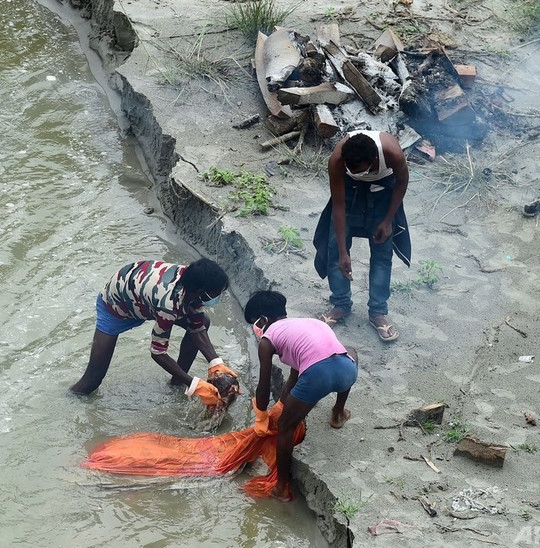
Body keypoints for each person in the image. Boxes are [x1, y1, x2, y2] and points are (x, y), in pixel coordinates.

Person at [70, 258, 237, 407]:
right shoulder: (169, 304)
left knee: (204, 321)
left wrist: (216, 363)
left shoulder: (193, 280)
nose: (217, 299)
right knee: (93, 379)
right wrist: (195, 385)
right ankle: (69, 402)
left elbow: (197, 326)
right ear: (198, 291)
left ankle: (177, 383)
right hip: (116, 306)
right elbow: (158, 353)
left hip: (145, 300)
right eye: (213, 296)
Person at [245, 290, 358, 502]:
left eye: (256, 323)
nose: (256, 329)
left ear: (264, 320)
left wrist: (261, 416)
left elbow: (264, 384)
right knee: (350, 351)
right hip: (347, 371)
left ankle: (281, 488)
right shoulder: (307, 324)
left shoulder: (267, 340)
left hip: (318, 376)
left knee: (286, 427)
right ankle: (338, 412)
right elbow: (297, 371)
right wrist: (282, 403)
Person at [313, 130, 411, 342]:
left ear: (375, 160)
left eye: (359, 169)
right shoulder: (337, 160)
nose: (355, 171)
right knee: (334, 249)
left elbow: (402, 183)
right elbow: (338, 207)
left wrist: (387, 220)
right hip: (350, 192)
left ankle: (377, 312)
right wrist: (342, 251)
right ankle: (340, 305)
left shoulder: (392, 153)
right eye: (350, 168)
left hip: (384, 194)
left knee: (382, 255)